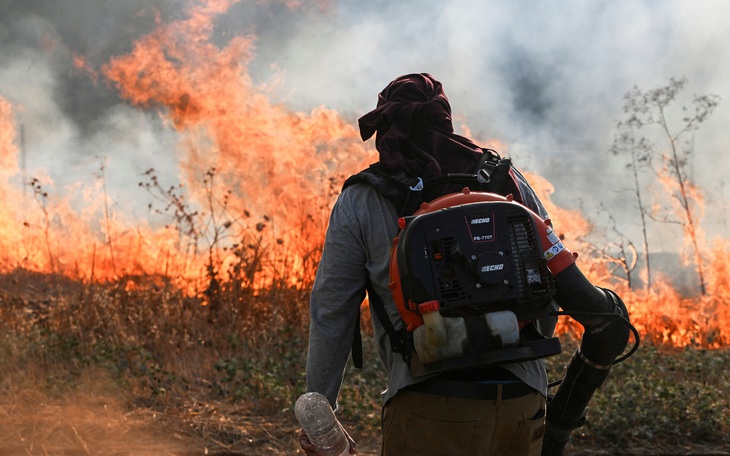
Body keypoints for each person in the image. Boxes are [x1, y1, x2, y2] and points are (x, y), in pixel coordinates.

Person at [299, 73, 631, 456]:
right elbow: (552, 281)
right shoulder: (507, 180)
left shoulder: (362, 199)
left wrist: (321, 408)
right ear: (445, 119)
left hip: (428, 405)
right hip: (522, 403)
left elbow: (331, 310)